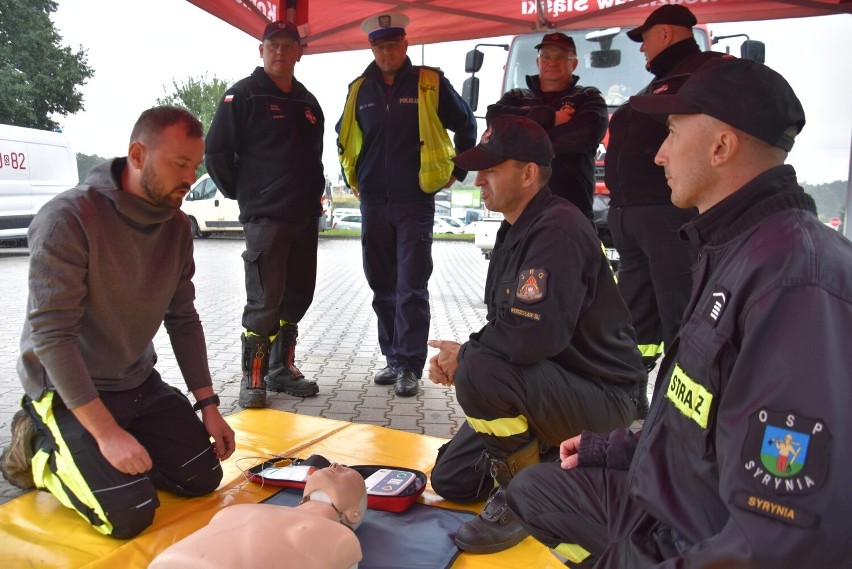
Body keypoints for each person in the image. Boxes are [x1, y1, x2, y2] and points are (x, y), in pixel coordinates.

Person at [507, 57, 852, 568]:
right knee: (535, 490)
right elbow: (700, 409)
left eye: (669, 133)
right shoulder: (735, 246)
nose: (659, 155)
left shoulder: (793, 280)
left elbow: (781, 534)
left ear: (721, 146)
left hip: (700, 538)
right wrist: (619, 447)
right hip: (668, 508)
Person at [0, 106, 235, 539]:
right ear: (138, 154)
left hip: (136, 384)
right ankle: (40, 448)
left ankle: (108, 455)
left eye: (195, 165)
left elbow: (183, 318)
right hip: (68, 392)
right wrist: (106, 435)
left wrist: (209, 406)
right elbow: (52, 338)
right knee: (129, 515)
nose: (190, 177)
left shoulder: (178, 227)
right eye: (179, 163)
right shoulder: (68, 219)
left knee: (201, 479)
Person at [427, 115, 646, 554]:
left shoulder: (556, 229)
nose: (479, 178)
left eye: (491, 168)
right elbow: (511, 325)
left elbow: (530, 338)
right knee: (450, 478)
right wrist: (467, 354)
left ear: (528, 173)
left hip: (603, 399)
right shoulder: (516, 229)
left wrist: (466, 357)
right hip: (553, 384)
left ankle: (526, 498)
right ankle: (545, 453)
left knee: (481, 373)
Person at [336, 13, 477, 397]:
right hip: (373, 202)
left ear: (405, 45)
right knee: (382, 284)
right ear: (372, 48)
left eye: (393, 45)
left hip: (415, 200)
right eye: (380, 46)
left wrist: (458, 172)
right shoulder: (358, 89)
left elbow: (466, 124)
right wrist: (354, 179)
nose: (387, 52)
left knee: (411, 286)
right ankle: (393, 359)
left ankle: (410, 365)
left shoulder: (429, 83)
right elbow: (344, 137)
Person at [206, 20, 325, 408]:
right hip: (266, 218)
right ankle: (253, 377)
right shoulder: (243, 96)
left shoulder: (308, 102)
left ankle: (280, 369)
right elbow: (217, 154)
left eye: (287, 45)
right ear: (261, 51)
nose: (279, 51)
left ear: (298, 53)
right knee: (264, 299)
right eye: (272, 45)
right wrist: (246, 196)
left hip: (305, 217)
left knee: (297, 297)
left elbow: (313, 158)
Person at [605, 4, 723, 383]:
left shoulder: (705, 72)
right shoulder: (661, 81)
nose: (642, 49)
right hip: (633, 217)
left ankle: (685, 395)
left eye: (645, 39)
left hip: (669, 216)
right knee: (634, 317)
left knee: (680, 310)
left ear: (667, 34)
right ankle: (629, 388)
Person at [150, 463, 367, 568]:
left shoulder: (341, 538)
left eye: (346, 471)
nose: (335, 464)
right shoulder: (245, 508)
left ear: (354, 514)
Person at [486, 32, 607, 219]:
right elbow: (494, 120)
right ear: (538, 62)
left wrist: (521, 139)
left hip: (572, 207)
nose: (552, 62)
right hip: (519, 207)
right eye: (546, 56)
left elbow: (585, 135)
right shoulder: (517, 97)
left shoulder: (588, 97)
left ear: (573, 64)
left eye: (561, 57)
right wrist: (549, 117)